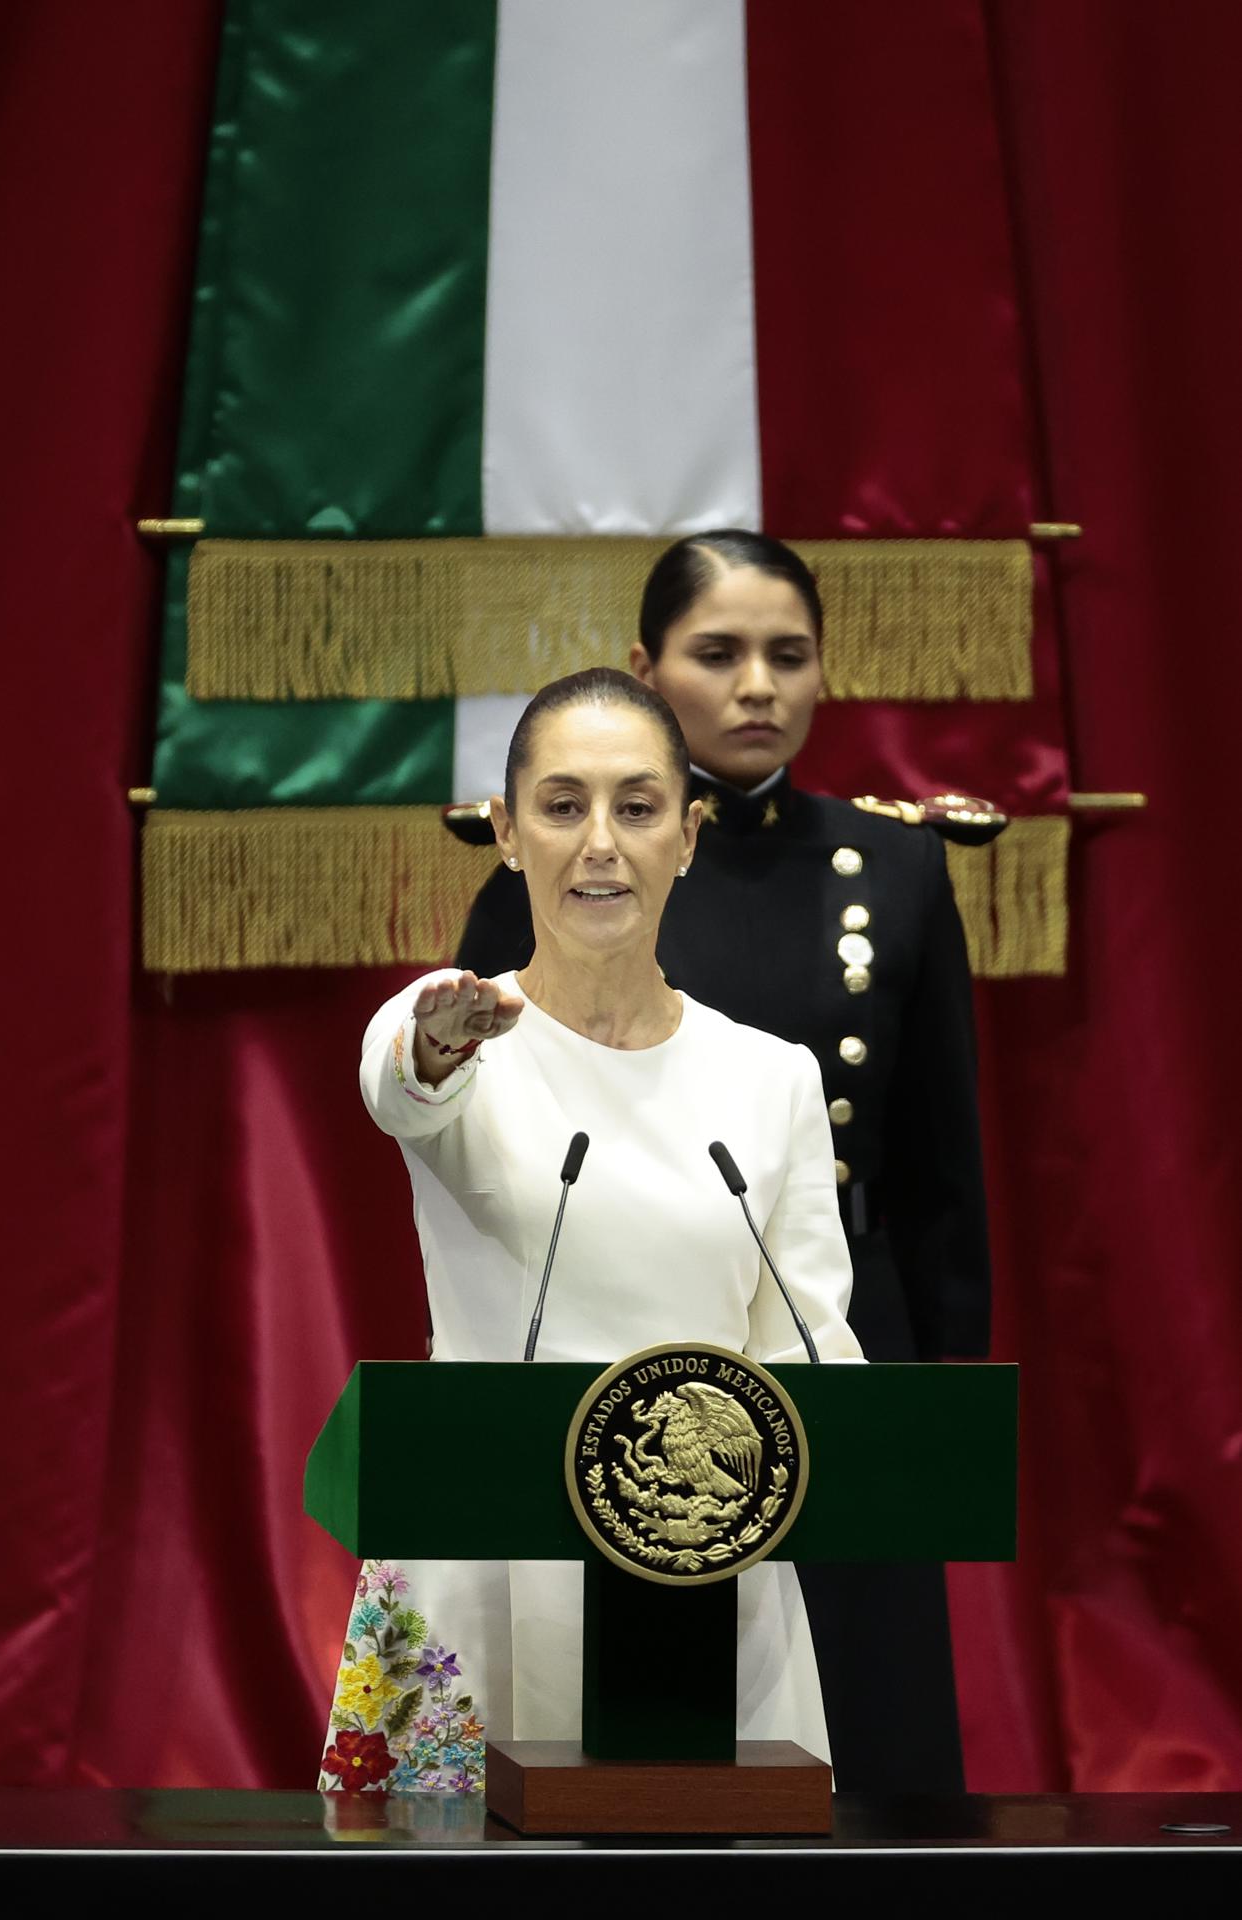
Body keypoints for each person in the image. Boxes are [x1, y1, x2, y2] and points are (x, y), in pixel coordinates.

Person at [454, 532, 991, 1793]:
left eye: (786, 656)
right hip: (606, 1368)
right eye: (718, 653)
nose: (756, 685)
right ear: (647, 670)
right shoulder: (572, 870)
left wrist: (934, 1407)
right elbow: (484, 1127)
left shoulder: (895, 868)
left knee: (859, 1755)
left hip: (828, 1349)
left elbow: (934, 1172)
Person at [318, 667, 863, 1796]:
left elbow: (811, 1352)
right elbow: (399, 1085)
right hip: (481, 1567)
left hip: (707, 1576)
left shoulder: (772, 1079)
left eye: (636, 806)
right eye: (562, 808)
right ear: (508, 835)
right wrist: (437, 1045)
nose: (600, 843)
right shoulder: (458, 1030)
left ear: (687, 836)